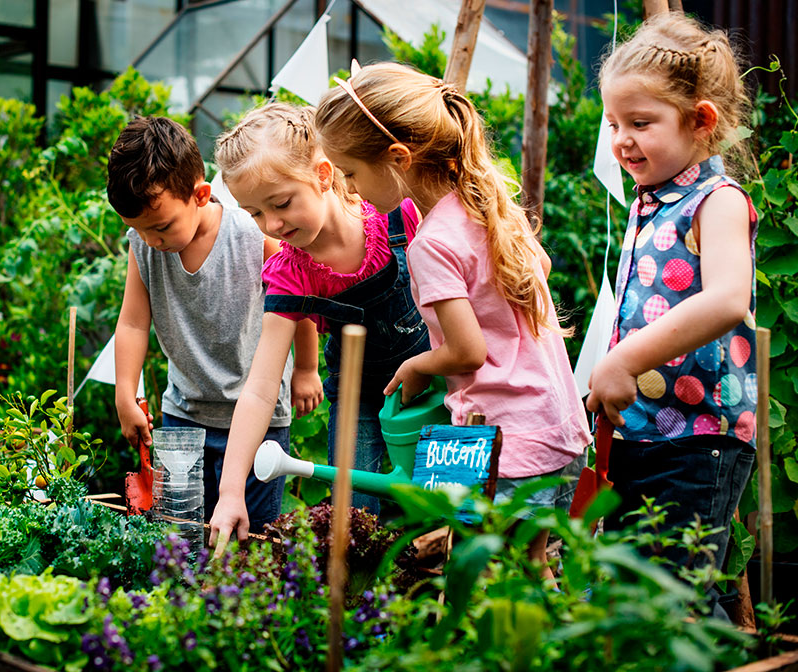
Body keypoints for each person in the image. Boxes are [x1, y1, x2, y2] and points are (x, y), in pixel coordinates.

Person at [315, 63, 590, 578]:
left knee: (491, 577)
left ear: (398, 158)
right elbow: (541, 267)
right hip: (558, 425)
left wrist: (420, 364)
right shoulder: (485, 204)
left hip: (505, 442)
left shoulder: (432, 243)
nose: (350, 189)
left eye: (350, 172)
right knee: (536, 568)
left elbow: (466, 352)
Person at [208, 102, 430, 543]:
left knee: (440, 506)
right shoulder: (292, 273)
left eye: (281, 203)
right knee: (352, 519)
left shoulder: (398, 216)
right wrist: (230, 491)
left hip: (434, 385)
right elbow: (259, 388)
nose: (271, 224)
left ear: (324, 174)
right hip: (359, 396)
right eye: (254, 213)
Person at [583, 13, 757, 575]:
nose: (621, 141)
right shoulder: (650, 200)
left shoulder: (717, 200)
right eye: (612, 124)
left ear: (700, 121)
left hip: (696, 439)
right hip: (645, 431)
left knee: (670, 597)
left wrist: (623, 360)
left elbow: (729, 298)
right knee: (641, 593)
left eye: (639, 122)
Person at [109, 117, 320, 533]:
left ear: (200, 195)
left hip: (260, 419)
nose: (152, 239)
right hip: (184, 416)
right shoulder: (145, 246)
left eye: (162, 226)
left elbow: (299, 302)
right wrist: (124, 393)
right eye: (138, 229)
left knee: (253, 538)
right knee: (180, 535)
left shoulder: (253, 237)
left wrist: (307, 369)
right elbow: (133, 323)